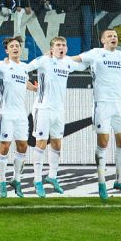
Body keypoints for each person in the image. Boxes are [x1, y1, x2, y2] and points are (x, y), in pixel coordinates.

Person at [71, 28, 121, 200]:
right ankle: (101, 183)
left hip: (120, 105)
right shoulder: (96, 53)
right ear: (102, 40)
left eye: (115, 36)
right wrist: (56, 57)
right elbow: (75, 59)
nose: (113, 38)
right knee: (104, 142)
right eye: (109, 36)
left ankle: (119, 181)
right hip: (102, 105)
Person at [25, 36, 88, 196]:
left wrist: (97, 56)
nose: (61, 47)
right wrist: (29, 85)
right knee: (40, 144)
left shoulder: (67, 62)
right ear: (52, 48)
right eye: (58, 45)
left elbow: (83, 66)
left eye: (63, 45)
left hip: (59, 110)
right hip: (43, 108)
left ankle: (52, 177)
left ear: (66, 48)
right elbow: (23, 69)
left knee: (57, 144)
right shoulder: (43, 60)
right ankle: (37, 180)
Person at [0, 37, 36, 198]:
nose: (15, 48)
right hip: (5, 113)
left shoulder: (24, 67)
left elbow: (25, 83)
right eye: (12, 46)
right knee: (4, 146)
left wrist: (35, 88)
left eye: (17, 46)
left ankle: (16, 180)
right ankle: (2, 181)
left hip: (21, 114)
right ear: (7, 50)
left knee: (23, 146)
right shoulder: (1, 66)